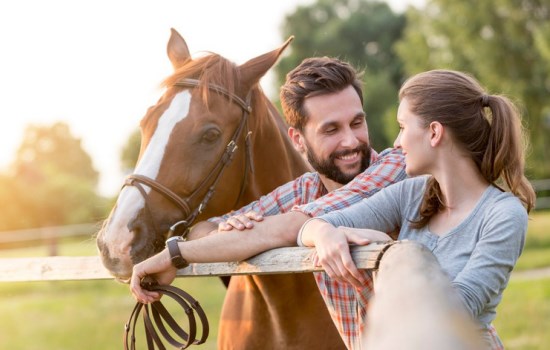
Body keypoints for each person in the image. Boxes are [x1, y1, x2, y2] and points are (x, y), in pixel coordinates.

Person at [130, 57, 406, 349]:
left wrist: (173, 254)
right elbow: (203, 230)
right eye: (331, 130)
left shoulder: (395, 168)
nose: (350, 141)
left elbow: (284, 228)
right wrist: (224, 227)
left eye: (356, 123)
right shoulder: (302, 190)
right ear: (298, 140)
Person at [298, 69, 536, 349]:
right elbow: (309, 225)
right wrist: (323, 233)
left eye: (402, 127)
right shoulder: (413, 193)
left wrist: (388, 248)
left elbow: (456, 312)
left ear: (434, 132)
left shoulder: (503, 215)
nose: (397, 143)